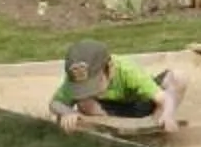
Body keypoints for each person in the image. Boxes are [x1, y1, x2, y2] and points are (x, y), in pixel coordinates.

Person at [49, 38, 184, 134]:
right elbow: (55, 103)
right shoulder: (77, 75)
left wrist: (168, 113)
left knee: (178, 78)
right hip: (108, 110)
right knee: (84, 103)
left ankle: (157, 126)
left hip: (142, 104)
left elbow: (164, 98)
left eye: (93, 84)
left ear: (110, 68)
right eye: (82, 87)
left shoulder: (127, 70)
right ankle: (108, 131)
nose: (90, 90)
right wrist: (68, 112)